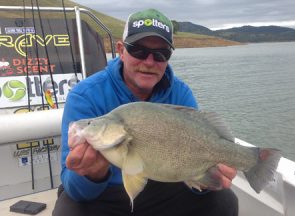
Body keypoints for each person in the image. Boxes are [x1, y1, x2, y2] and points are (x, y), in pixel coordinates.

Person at [53, 8, 238, 216]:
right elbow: (75, 190)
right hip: (105, 195)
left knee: (223, 201)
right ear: (121, 50)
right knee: (67, 212)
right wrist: (92, 175)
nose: (149, 62)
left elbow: (195, 170)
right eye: (139, 50)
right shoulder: (85, 96)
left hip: (163, 188)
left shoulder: (180, 92)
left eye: (161, 54)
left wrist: (207, 181)